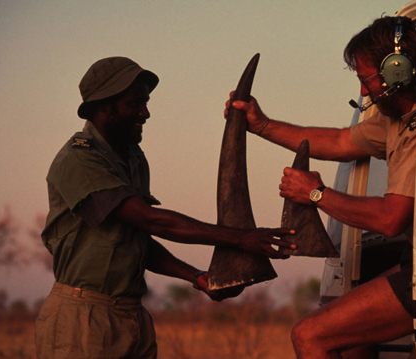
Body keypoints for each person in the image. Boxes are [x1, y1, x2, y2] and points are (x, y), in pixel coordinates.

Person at [225, 16, 416, 359]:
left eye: (367, 80)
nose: (364, 91)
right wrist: (262, 126)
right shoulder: (398, 117)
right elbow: (337, 142)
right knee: (351, 340)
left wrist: (316, 194)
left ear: (397, 71)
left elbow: (391, 219)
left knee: (309, 336)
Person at [36, 56, 296, 359]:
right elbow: (151, 220)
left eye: (146, 102)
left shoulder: (132, 159)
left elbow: (137, 242)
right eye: (135, 104)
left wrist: (196, 277)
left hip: (132, 315)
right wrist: (240, 238)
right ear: (104, 106)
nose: (145, 113)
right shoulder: (79, 159)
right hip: (83, 318)